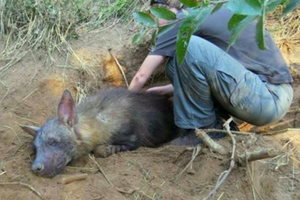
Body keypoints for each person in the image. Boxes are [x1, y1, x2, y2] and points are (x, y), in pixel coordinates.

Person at [128, 0, 293, 145]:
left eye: (155, 16)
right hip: (271, 95)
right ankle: (218, 124)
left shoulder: (181, 21)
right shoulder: (211, 9)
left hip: (266, 98)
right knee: (175, 63)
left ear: (167, 8)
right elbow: (215, 70)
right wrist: (171, 88)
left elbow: (140, 77)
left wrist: (123, 106)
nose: (156, 27)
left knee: (188, 47)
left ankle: (206, 129)